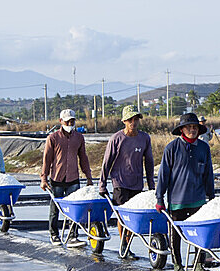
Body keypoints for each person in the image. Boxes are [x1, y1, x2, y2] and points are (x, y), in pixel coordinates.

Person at [155, 113, 215, 271]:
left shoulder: (203, 148)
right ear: (182, 129)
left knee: (200, 234)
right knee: (175, 235)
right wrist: (160, 198)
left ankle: (198, 265)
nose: (192, 130)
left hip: (198, 200)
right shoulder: (172, 148)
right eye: (188, 127)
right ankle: (178, 265)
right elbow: (163, 175)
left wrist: (211, 196)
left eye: (195, 127)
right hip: (177, 200)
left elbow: (208, 173)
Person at [99, 104, 156, 243]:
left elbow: (149, 162)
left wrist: (151, 184)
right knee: (122, 215)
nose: (133, 122)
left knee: (133, 216)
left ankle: (128, 241)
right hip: (120, 182)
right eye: (130, 120)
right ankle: (124, 244)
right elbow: (107, 162)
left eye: (136, 119)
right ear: (124, 121)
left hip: (136, 182)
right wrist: (102, 184)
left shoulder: (144, 138)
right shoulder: (116, 139)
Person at [41, 108, 95, 245]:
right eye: (67, 121)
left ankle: (72, 236)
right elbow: (47, 160)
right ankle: (54, 234)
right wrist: (44, 178)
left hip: (73, 178)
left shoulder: (79, 138)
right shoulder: (53, 138)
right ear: (61, 121)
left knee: (74, 209)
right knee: (55, 209)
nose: (70, 124)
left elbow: (83, 158)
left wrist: (88, 176)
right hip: (57, 178)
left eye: (72, 121)